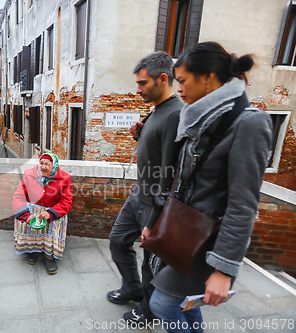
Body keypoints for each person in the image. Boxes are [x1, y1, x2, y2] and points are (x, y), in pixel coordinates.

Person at [145, 42, 272, 332]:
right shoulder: (196, 117)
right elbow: (178, 181)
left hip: (209, 242)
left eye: (183, 81)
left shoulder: (249, 123)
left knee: (163, 304)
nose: (179, 89)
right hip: (182, 233)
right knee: (182, 304)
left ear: (208, 77)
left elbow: (243, 204)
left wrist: (224, 270)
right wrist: (154, 223)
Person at [108, 51, 183, 324]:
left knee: (149, 262)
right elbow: (156, 150)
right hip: (139, 194)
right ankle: (131, 288)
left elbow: (170, 173)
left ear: (162, 79)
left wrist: (153, 220)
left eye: (142, 83)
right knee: (117, 240)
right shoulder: (157, 111)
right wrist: (140, 134)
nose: (137, 89)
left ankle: (148, 311)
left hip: (156, 204)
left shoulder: (176, 114)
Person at [12, 152, 73, 275]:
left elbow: (66, 201)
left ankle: (48, 256)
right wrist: (27, 216)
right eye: (41, 163)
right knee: (29, 224)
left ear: (54, 166)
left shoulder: (64, 179)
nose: (43, 167)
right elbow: (18, 197)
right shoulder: (29, 174)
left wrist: (50, 213)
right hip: (32, 211)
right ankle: (33, 250)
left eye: (47, 164)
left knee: (53, 224)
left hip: (52, 210)